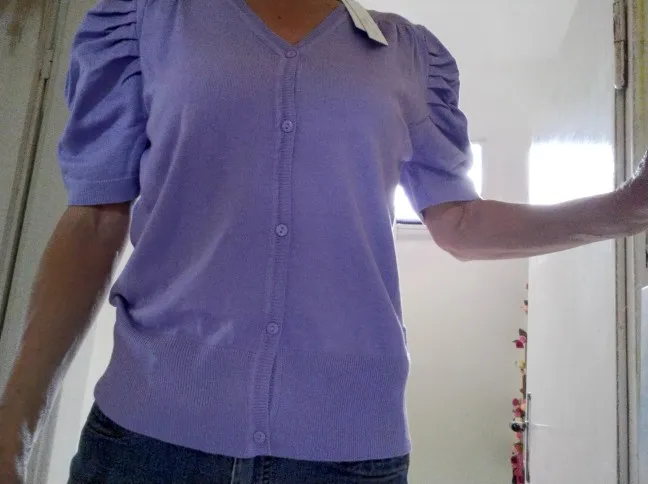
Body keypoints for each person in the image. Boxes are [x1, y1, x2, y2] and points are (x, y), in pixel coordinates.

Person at [0, 0, 645, 482]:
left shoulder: (408, 55)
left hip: (347, 450)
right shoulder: (149, 20)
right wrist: (14, 426)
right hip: (148, 437)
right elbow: (94, 220)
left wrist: (628, 210)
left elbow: (461, 223)